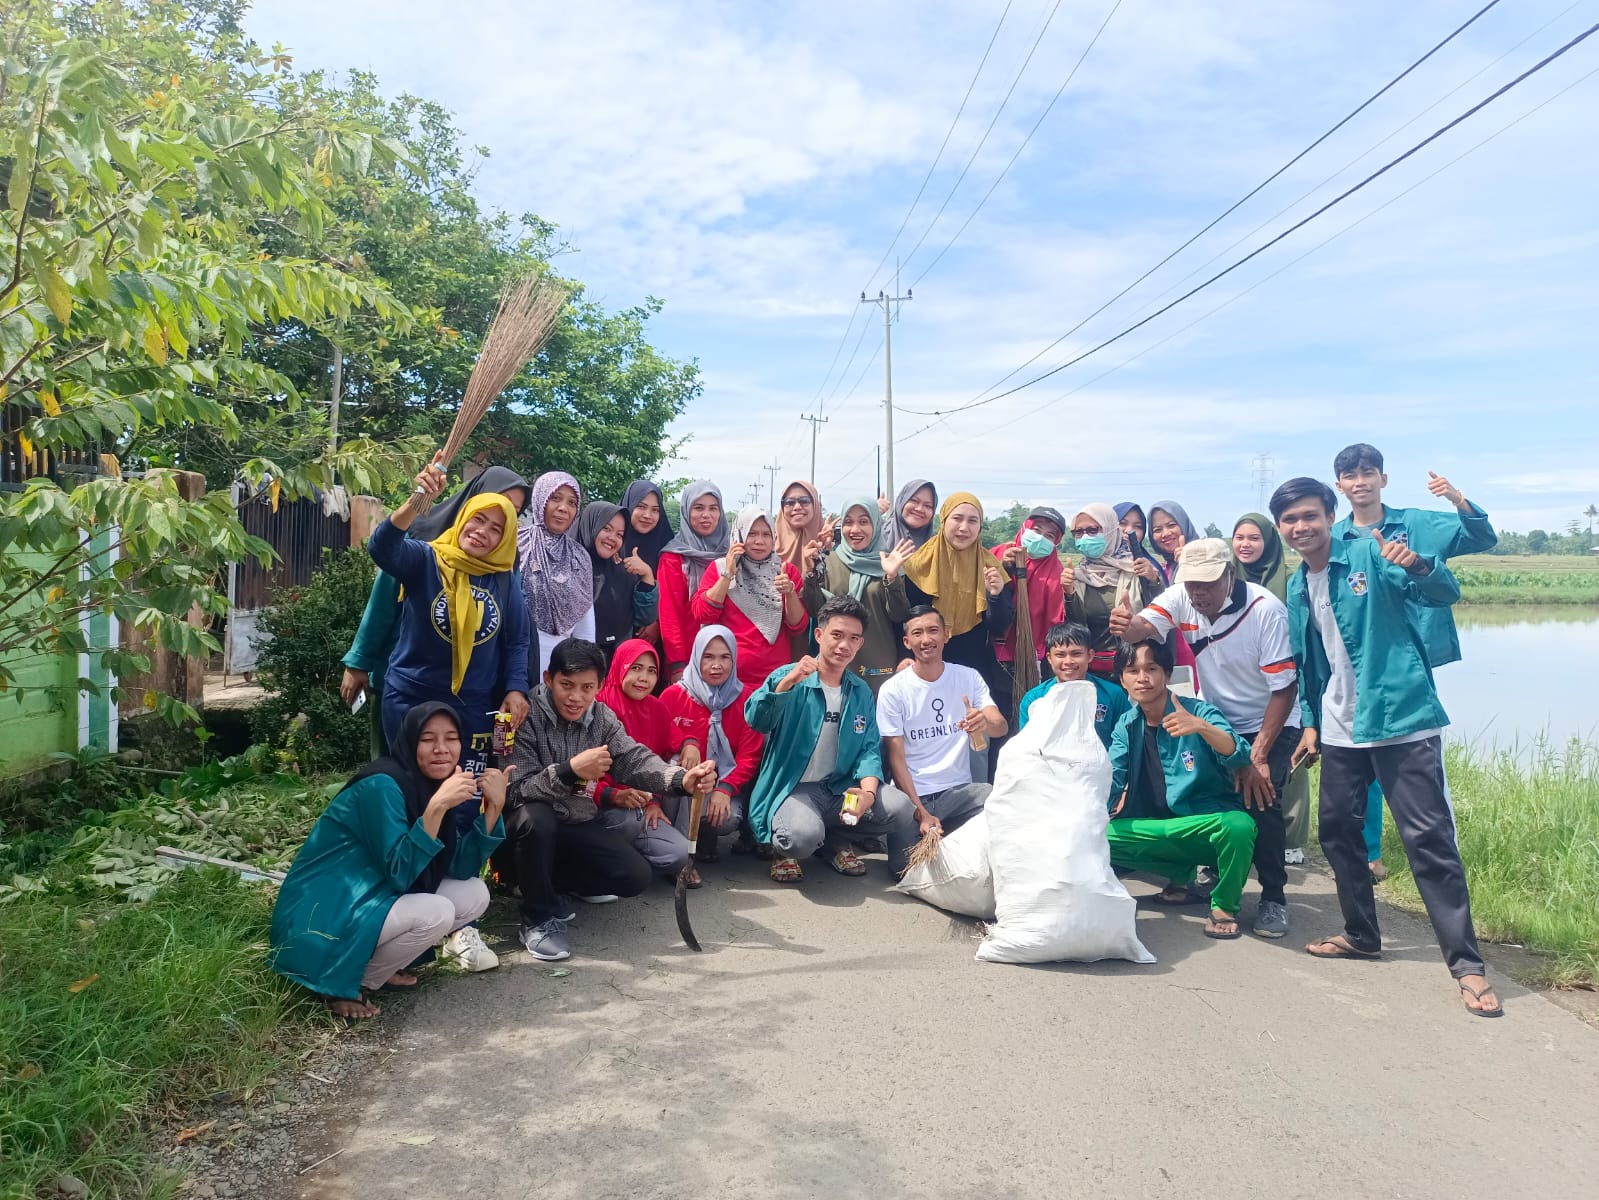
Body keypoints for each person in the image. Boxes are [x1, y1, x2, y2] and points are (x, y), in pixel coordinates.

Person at [1271, 476, 1500, 1017]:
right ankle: (1362, 934)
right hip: (1340, 726)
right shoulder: (1300, 584)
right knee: (1337, 833)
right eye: (1290, 520)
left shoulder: (1371, 554)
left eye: (1309, 516)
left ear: (1332, 515)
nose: (1300, 527)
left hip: (1402, 720)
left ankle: (1467, 966)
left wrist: (1420, 564)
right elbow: (1312, 660)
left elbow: (1443, 594)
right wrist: (1310, 721)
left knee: (1428, 841)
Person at [1112, 539, 1306, 939]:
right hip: (1214, 714)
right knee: (1214, 796)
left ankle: (1273, 897)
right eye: (1191, 584)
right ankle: (1212, 874)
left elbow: (1284, 690)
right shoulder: (1183, 597)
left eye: (1207, 583)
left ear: (1229, 574)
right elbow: (1144, 629)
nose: (1198, 593)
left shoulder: (1265, 609)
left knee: (1261, 799)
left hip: (1269, 716)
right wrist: (1125, 625)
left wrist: (1260, 755)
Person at [270, 703, 510, 1017]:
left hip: (371, 891)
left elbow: (457, 867)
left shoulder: (433, 783)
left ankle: (379, 970)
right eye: (428, 739)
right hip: (323, 913)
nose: (441, 749)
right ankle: (346, 983)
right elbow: (401, 872)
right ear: (410, 741)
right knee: (436, 911)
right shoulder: (381, 785)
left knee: (473, 894)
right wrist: (436, 808)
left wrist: (493, 808)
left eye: (451, 738)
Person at [1330, 444, 1498, 880]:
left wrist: (1457, 499)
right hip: (1361, 664)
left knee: (1418, 761)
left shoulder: (1416, 523)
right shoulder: (1336, 538)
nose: (1360, 481)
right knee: (1361, 758)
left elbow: (1482, 538)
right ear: (1340, 486)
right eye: (1351, 475)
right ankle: (1370, 855)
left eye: (1369, 472)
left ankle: (1445, 861)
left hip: (1412, 661)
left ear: (1383, 479)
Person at [500, 638, 718, 962]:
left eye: (587, 687)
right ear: (548, 679)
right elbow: (514, 792)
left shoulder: (601, 716)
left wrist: (680, 780)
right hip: (527, 829)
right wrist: (569, 771)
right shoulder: (526, 715)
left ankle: (549, 883)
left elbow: (633, 758)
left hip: (577, 823)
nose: (576, 697)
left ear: (600, 685)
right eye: (566, 685)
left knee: (634, 876)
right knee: (536, 818)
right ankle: (538, 917)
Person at [366, 451, 531, 796]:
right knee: (409, 791)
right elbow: (382, 548)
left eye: (496, 528)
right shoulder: (427, 558)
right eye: (478, 520)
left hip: (472, 708)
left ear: (506, 539)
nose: (482, 532)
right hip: (412, 699)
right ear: (464, 516)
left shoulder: (503, 579)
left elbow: (517, 640)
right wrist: (418, 499)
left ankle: (460, 851)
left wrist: (516, 688)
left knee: (463, 796)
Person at [744, 595, 915, 884]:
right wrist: (787, 684)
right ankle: (783, 847)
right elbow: (757, 721)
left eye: (853, 638)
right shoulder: (790, 676)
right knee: (801, 837)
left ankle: (836, 840)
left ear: (860, 644)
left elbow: (869, 750)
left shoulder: (860, 691)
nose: (844, 645)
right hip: (793, 788)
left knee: (901, 809)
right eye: (836, 635)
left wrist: (868, 794)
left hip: (838, 789)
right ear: (819, 635)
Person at [1105, 639, 1257, 941]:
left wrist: (1202, 728)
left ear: (1167, 673)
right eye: (1133, 671)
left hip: (1202, 828)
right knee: (1088, 835)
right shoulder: (1127, 724)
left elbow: (1239, 754)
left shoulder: (1198, 712)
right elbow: (1111, 778)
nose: (1142, 678)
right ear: (1122, 679)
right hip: (1154, 827)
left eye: (1151, 669)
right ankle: (1181, 878)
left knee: (1239, 826)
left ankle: (1224, 906)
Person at [877, 606, 1006, 874]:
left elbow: (1001, 727)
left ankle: (952, 842)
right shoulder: (893, 690)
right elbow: (896, 758)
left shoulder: (968, 677)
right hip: (913, 795)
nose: (926, 639)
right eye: (918, 633)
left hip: (959, 793)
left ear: (946, 635)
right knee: (904, 868)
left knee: (996, 799)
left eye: (933, 631)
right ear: (907, 642)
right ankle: (943, 840)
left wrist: (984, 721)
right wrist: (920, 812)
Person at [1232, 511, 1307, 863]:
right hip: (1241, 688)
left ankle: (1290, 840)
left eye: (1254, 538)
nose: (1246, 545)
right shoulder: (1223, 581)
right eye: (1240, 538)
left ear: (1270, 542)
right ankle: (1244, 846)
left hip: (1285, 683)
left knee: (1287, 771)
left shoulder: (1289, 583)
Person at [592, 639, 700, 886]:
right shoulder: (600, 707)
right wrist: (616, 795)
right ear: (620, 666)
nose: (644, 678)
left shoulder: (656, 708)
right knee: (629, 821)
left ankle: (679, 862)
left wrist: (690, 744)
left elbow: (676, 738)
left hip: (643, 803)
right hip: (605, 804)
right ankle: (615, 862)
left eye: (651, 671)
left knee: (684, 768)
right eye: (636, 668)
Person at [902, 492, 1015, 700]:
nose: (964, 528)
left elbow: (999, 626)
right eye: (957, 518)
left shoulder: (991, 568)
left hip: (973, 669)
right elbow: (903, 620)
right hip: (924, 669)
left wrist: (996, 595)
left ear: (980, 527)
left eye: (973, 521)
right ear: (943, 520)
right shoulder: (918, 564)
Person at [662, 624, 761, 860]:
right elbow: (659, 734)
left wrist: (725, 789)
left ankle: (704, 836)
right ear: (696, 657)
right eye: (708, 657)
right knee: (679, 763)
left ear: (734, 659)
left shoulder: (746, 699)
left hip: (722, 782)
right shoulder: (674, 695)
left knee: (727, 819)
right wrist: (688, 741)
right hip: (681, 790)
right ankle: (680, 851)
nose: (717, 665)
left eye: (725, 657)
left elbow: (750, 755)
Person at [801, 495, 916, 694]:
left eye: (864, 522)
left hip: (878, 663)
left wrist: (891, 577)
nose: (855, 530)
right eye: (848, 522)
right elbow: (816, 612)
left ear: (876, 524)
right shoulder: (830, 562)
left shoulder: (889, 563)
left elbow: (899, 615)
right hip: (836, 660)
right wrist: (810, 574)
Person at [690, 505, 809, 692]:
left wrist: (790, 592)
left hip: (775, 680)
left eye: (766, 534)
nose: (759, 541)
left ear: (774, 538)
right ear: (739, 535)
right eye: (752, 534)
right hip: (729, 680)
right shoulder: (719, 568)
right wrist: (728, 574)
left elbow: (798, 627)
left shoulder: (786, 571)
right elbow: (702, 614)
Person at [1061, 503, 1155, 679]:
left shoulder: (1136, 569)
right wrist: (1069, 593)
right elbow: (1078, 627)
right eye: (1078, 533)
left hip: (1134, 671)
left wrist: (1154, 582)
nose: (1085, 537)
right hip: (1092, 673)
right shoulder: (1078, 575)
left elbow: (1158, 619)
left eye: (1093, 530)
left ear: (1111, 530)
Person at [520, 471, 595, 678]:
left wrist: (583, 671)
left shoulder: (579, 556)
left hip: (564, 665)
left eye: (572, 502)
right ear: (540, 498)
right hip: (517, 658)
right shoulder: (516, 545)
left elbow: (585, 624)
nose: (563, 508)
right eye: (555, 498)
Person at [658, 480, 730, 682]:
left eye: (713, 508)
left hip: (727, 657)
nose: (706, 515)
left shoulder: (731, 555)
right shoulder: (673, 557)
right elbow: (669, 614)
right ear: (686, 511)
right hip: (688, 659)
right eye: (698, 508)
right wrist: (678, 665)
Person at [990, 505, 1067, 695]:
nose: (1041, 538)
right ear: (1025, 527)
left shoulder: (1057, 574)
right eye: (1037, 529)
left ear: (1056, 543)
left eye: (1050, 536)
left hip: (1032, 661)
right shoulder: (997, 555)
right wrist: (1005, 569)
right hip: (991, 655)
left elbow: (1056, 622)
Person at [1017, 621, 1129, 748]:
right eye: (1060, 655)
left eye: (1076, 654)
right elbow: (1028, 747)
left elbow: (1125, 742)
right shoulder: (1034, 699)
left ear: (1090, 655)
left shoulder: (1113, 694)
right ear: (1049, 658)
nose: (1068, 661)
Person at [578, 500, 657, 663]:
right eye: (606, 528)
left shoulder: (621, 571)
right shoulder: (569, 569)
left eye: (620, 534)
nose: (612, 538)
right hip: (574, 666)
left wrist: (647, 577)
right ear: (591, 526)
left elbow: (644, 619)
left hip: (615, 667)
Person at [620, 479, 673, 645]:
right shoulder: (611, 541)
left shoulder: (669, 548)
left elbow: (673, 598)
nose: (647, 515)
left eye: (655, 510)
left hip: (653, 644)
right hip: (613, 638)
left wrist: (658, 623)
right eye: (641, 507)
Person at [774, 478, 827, 573]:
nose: (797, 507)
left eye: (804, 501)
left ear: (815, 505)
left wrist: (827, 550)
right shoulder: (767, 546)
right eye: (790, 502)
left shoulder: (829, 546)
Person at [1114, 502, 1165, 589]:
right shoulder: (1093, 563)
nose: (1129, 530)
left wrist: (1154, 580)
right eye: (1122, 523)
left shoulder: (1149, 566)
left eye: (1137, 526)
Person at [1148, 501, 1198, 586]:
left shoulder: (1206, 559)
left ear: (1184, 524)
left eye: (1171, 525)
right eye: (1157, 530)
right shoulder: (1159, 571)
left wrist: (1188, 564)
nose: (1165, 534)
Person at [882, 478, 939, 551]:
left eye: (928, 506)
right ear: (902, 501)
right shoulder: (876, 537)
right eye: (914, 501)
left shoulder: (937, 547)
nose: (920, 509)